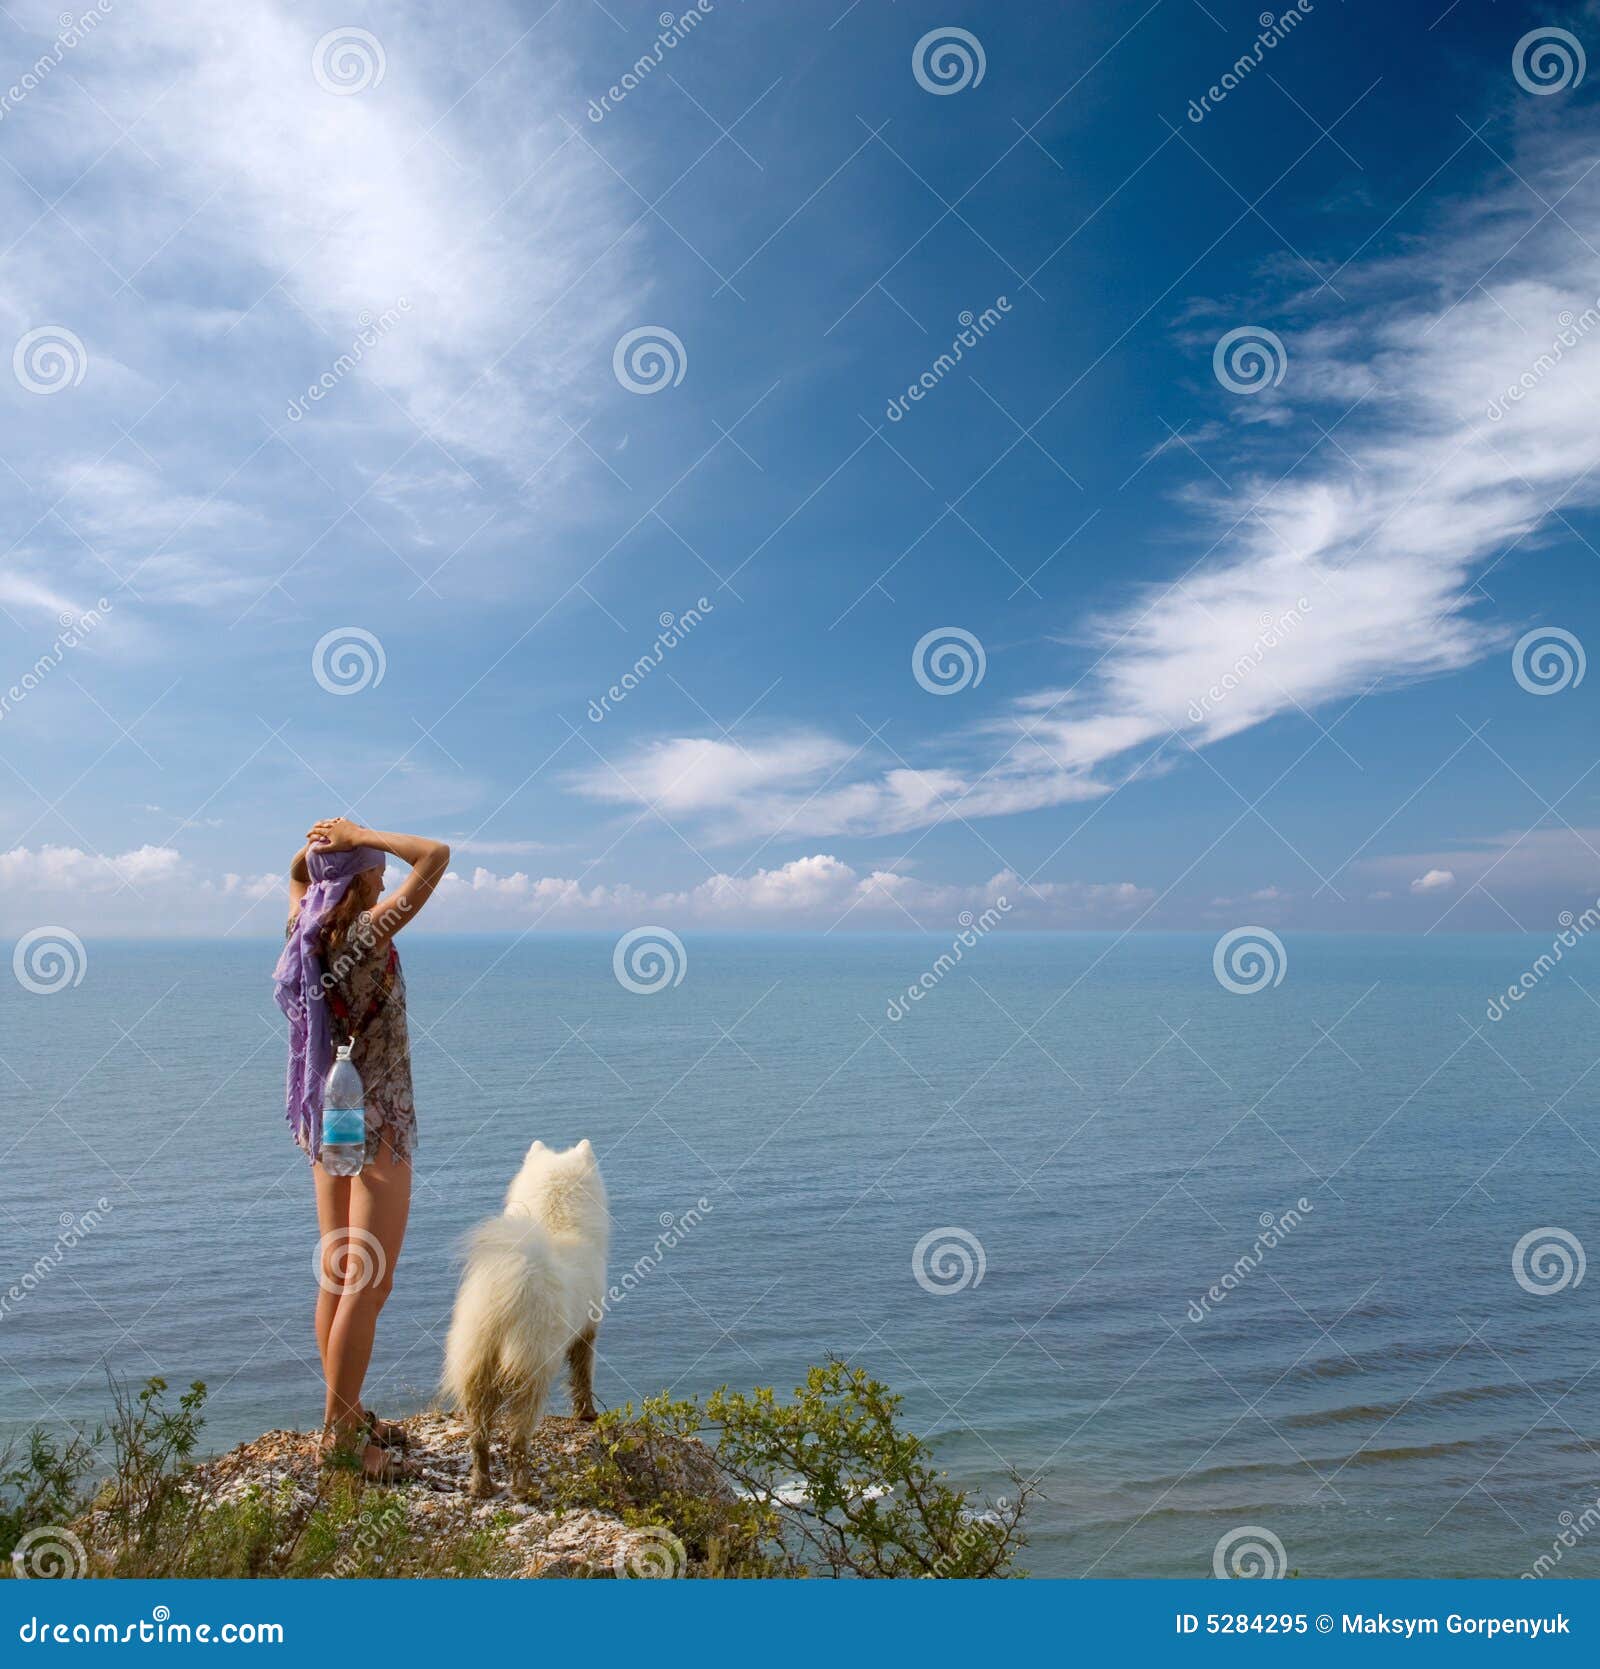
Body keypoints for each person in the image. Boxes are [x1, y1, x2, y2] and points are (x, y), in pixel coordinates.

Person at [273, 817, 450, 1481]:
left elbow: (296, 874)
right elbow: (435, 853)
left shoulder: (303, 929)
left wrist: (321, 848)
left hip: (332, 1118)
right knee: (369, 1280)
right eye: (376, 865)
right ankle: (341, 1437)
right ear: (370, 875)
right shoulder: (370, 932)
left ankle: (344, 1415)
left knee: (341, 1271)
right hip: (380, 1122)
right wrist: (357, 830)